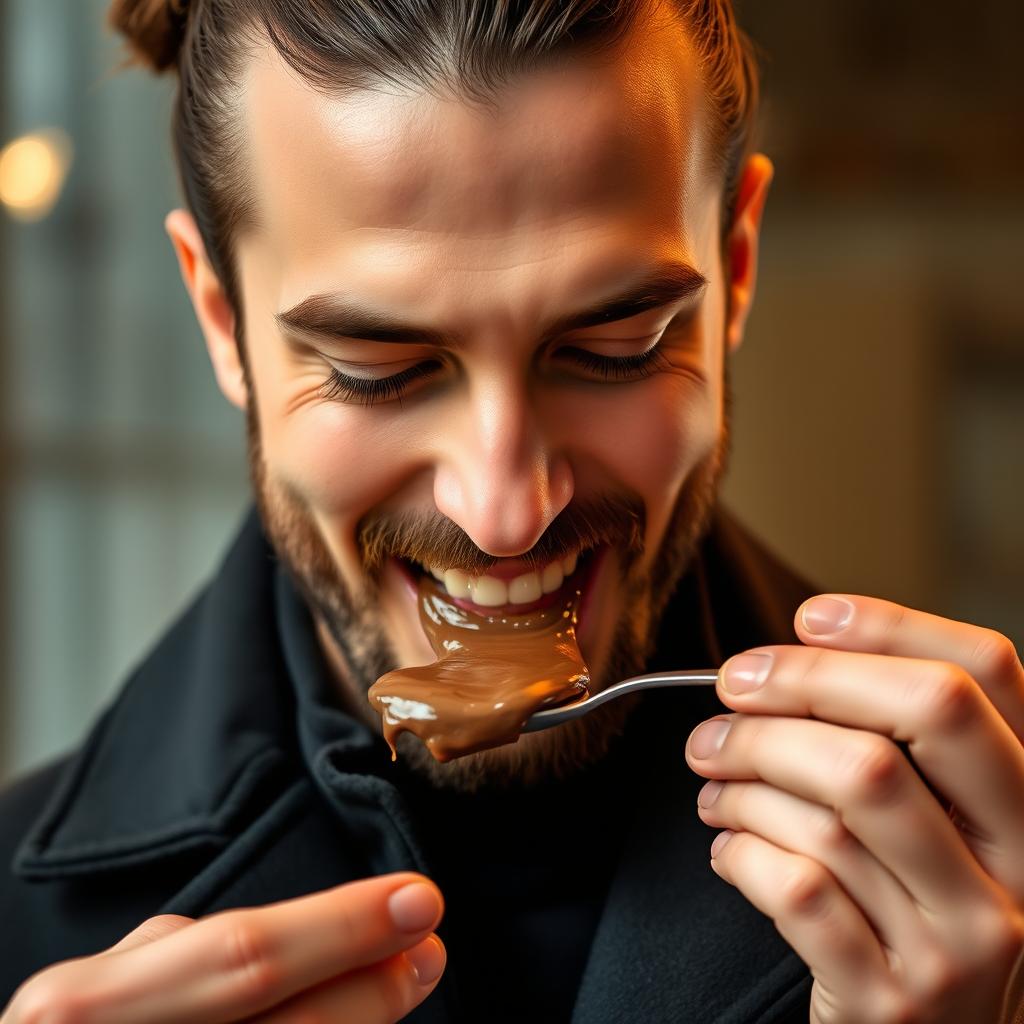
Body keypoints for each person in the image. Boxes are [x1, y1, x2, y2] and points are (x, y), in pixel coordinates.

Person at [1, 0, 1022, 1020]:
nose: (503, 513)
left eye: (612, 349)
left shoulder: (988, 866)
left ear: (738, 269)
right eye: (377, 372)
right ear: (221, 322)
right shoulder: (16, 923)